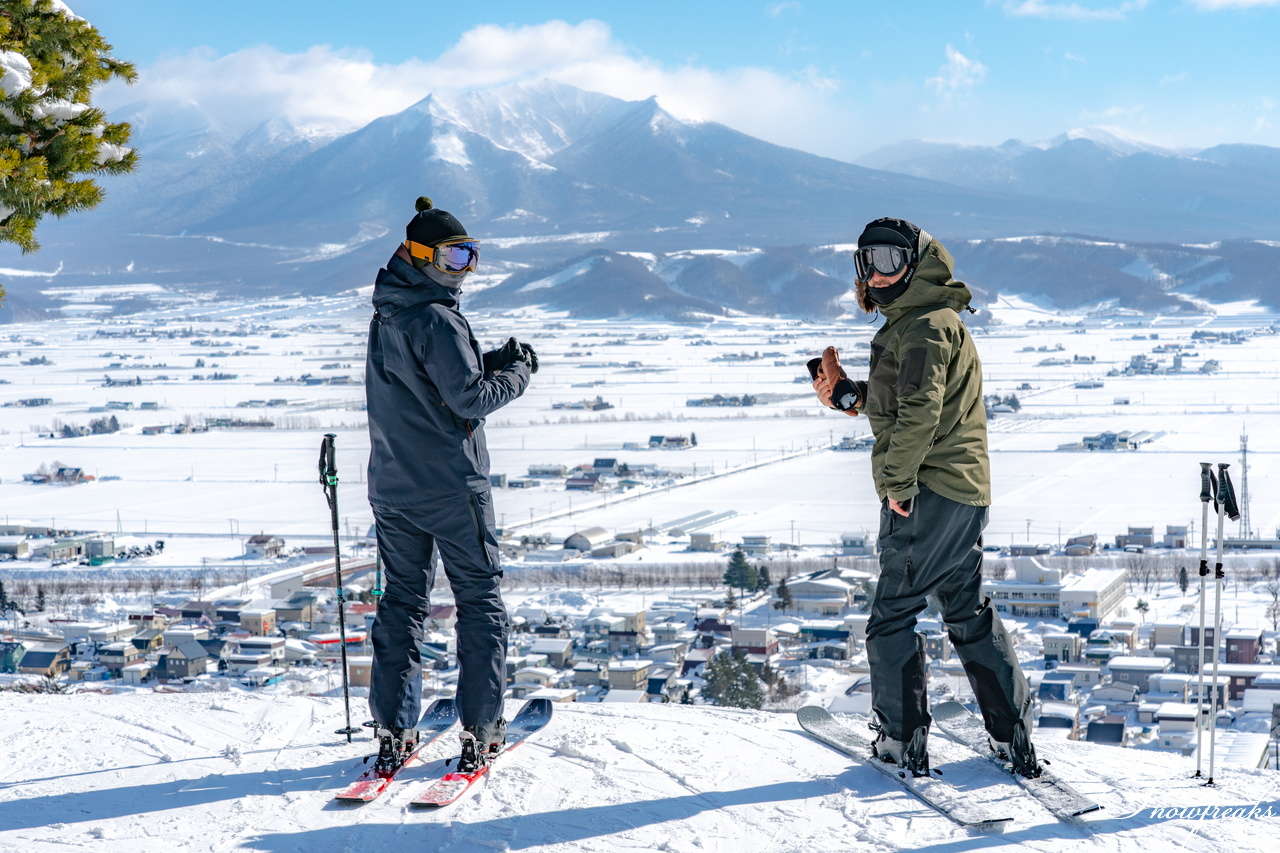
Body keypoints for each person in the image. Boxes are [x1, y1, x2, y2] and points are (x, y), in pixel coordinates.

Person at [811, 217, 1037, 778]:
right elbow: (900, 400)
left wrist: (896, 486)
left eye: (889, 259)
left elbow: (918, 414)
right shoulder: (923, 320)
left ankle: (899, 741)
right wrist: (846, 396)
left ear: (917, 260)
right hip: (962, 491)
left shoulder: (925, 328)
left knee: (891, 617)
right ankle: (1013, 736)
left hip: (928, 491)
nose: (878, 273)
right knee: (964, 609)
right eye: (867, 262)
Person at [365, 196, 536, 773]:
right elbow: (466, 399)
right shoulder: (437, 317)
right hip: (451, 487)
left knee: (402, 604)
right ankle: (483, 729)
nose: (463, 266)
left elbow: (425, 380)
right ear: (420, 254)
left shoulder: (390, 311)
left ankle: (393, 729)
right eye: (453, 254)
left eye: (471, 254)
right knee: (479, 602)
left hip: (392, 486)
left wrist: (482, 358)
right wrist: (516, 373)